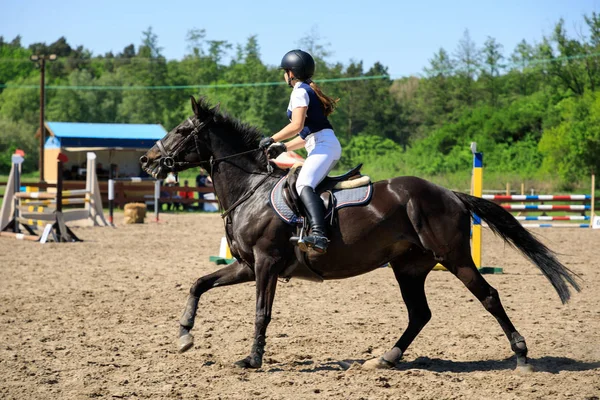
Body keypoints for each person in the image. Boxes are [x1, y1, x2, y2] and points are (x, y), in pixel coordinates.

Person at [259, 49, 341, 254]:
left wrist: (272, 138)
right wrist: (284, 147)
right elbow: (305, 135)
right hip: (320, 144)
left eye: (284, 71)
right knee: (301, 183)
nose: (283, 75)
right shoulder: (305, 89)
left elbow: (296, 125)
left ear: (291, 72)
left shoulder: (299, 91)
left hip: (324, 146)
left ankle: (319, 235)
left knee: (304, 184)